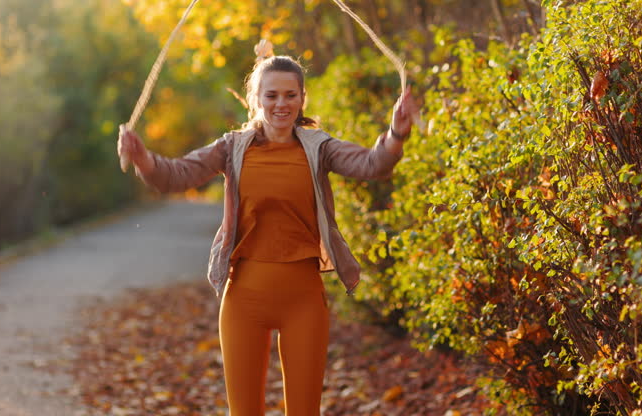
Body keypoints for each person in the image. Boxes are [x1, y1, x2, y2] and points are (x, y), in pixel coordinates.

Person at [116, 40, 420, 415]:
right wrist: (143, 157)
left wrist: (396, 134)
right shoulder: (232, 148)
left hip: (303, 301)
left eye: (290, 95)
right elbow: (176, 175)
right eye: (272, 95)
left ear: (302, 98)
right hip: (244, 300)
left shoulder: (320, 148)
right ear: (256, 99)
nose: (281, 104)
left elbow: (373, 164)